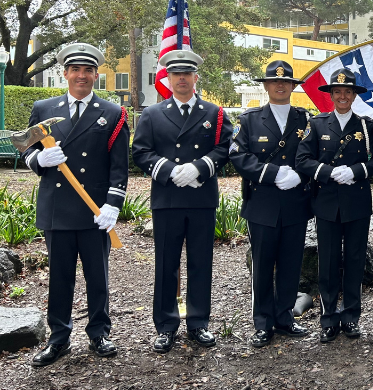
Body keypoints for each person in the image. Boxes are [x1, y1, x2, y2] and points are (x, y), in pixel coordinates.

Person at [24, 43, 129, 366]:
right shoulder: (43, 108)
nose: (81, 76)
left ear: (96, 75)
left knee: (98, 276)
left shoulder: (112, 112)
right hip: (58, 208)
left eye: (88, 71)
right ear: (65, 73)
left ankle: (99, 332)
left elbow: (118, 166)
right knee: (60, 277)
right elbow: (25, 151)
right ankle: (59, 338)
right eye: (75, 70)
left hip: (95, 211)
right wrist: (39, 158)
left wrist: (112, 205)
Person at [132, 49, 232, 353]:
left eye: (187, 74)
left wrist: (198, 167)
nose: (182, 79)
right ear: (168, 78)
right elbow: (140, 151)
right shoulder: (152, 113)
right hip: (168, 197)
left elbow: (225, 148)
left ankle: (198, 323)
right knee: (166, 264)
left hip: (201, 197)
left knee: (201, 263)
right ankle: (165, 326)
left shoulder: (214, 113)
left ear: (195, 77)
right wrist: (171, 170)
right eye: (176, 75)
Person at [296, 68, 373, 342]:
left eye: (348, 92)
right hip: (326, 203)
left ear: (354, 95)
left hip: (356, 202)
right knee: (329, 262)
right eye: (338, 92)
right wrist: (326, 172)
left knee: (356, 261)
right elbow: (302, 160)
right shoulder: (318, 124)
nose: (343, 96)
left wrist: (357, 171)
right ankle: (328, 318)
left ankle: (351, 317)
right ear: (331, 95)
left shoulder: (366, 126)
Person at [230, 61, 313, 347]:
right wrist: (274, 173)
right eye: (275, 82)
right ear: (265, 86)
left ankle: (285, 317)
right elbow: (238, 156)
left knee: (291, 264)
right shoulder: (250, 119)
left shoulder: (305, 120)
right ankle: (263, 323)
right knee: (263, 265)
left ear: (293, 86)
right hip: (263, 203)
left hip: (295, 202)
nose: (280, 86)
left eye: (286, 82)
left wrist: (299, 175)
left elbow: (315, 155)